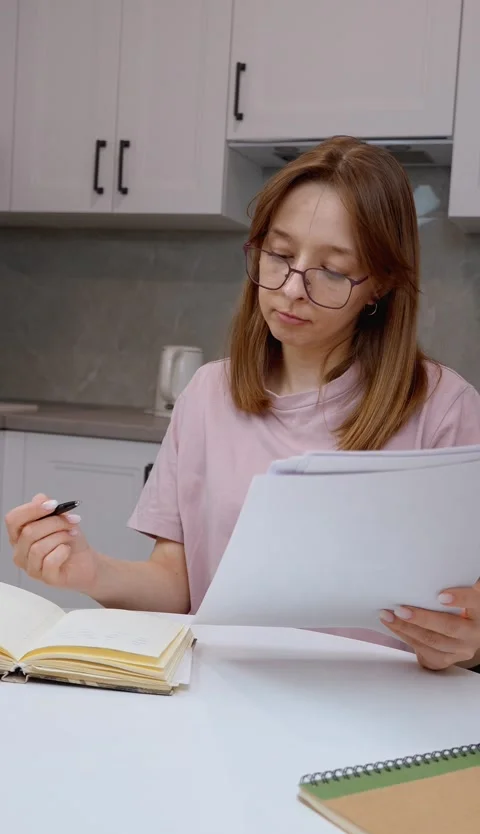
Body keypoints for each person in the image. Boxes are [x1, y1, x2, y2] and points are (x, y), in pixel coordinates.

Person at [5, 136, 480, 672]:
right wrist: (90, 572)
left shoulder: (445, 408)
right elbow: (177, 585)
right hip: (225, 694)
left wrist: (469, 640)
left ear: (380, 286)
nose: (292, 287)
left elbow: (469, 610)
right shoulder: (208, 395)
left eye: (332, 269)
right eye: (279, 255)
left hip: (384, 709)